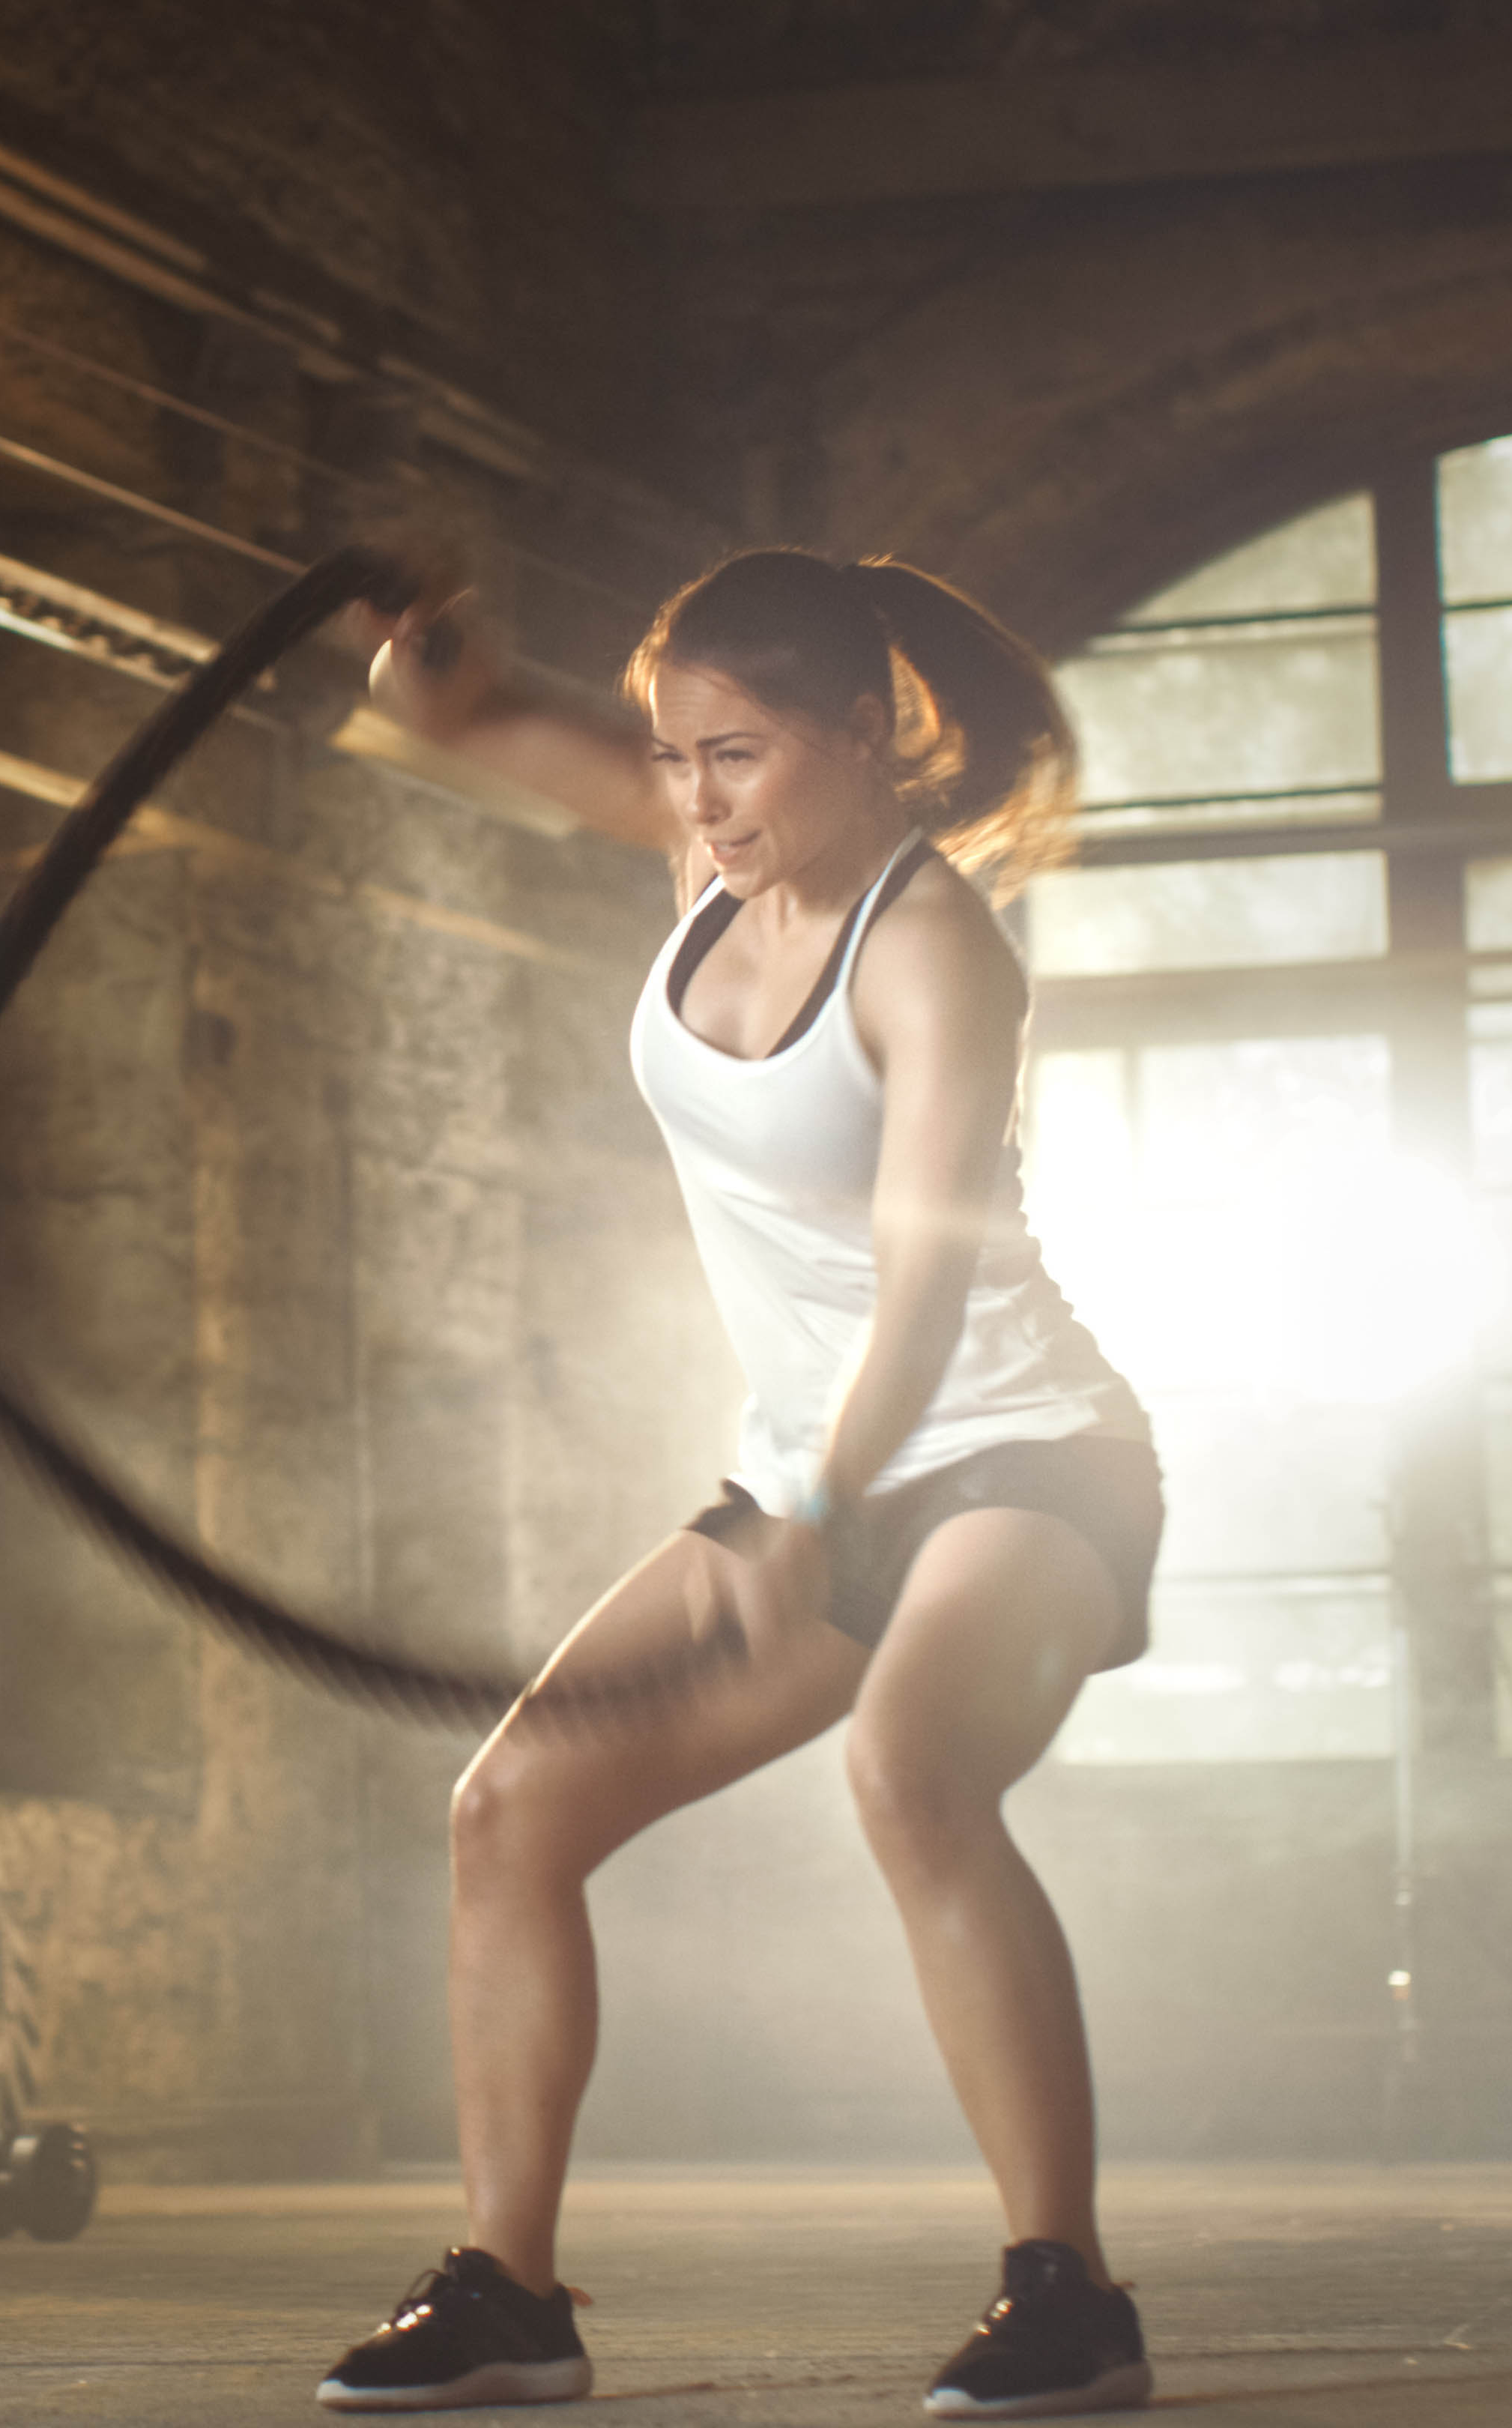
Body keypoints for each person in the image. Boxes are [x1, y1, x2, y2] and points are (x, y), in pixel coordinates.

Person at [314, 548, 1164, 2421]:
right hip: (805, 1471)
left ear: (859, 739)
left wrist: (822, 1513)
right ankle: (510, 2297)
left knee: (909, 1770)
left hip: (1020, 1460)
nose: (696, 798)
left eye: (742, 756)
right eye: (676, 756)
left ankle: (1068, 2293)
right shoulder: (714, 871)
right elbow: (443, 722)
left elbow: (927, 1284)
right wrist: (430, 657)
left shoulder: (937, 947)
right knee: (509, 1815)